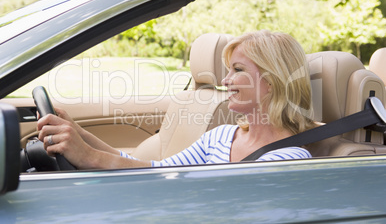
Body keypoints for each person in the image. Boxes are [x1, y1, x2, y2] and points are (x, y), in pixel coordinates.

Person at [38, 30, 318, 169]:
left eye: (238, 70)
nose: (225, 81)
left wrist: (88, 156)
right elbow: (156, 172)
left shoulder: (286, 160)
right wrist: (80, 135)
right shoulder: (221, 137)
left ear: (270, 82)